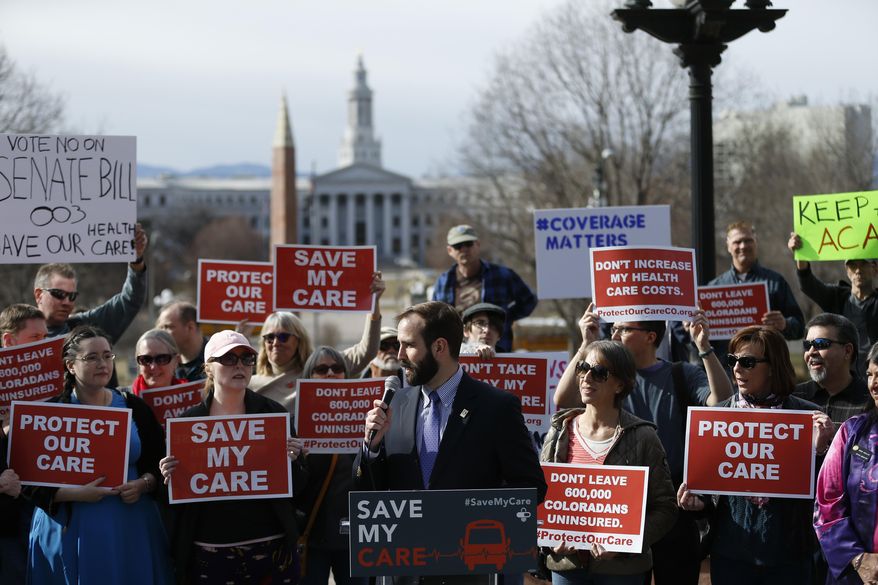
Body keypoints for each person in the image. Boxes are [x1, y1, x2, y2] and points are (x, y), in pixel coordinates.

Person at [553, 305, 732, 585]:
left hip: (670, 503)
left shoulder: (680, 374)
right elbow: (564, 400)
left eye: (624, 328)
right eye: (614, 328)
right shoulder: (604, 377)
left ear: (650, 336)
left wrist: (704, 347)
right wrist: (587, 343)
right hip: (616, 506)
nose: (615, 332)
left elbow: (721, 402)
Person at [677, 325, 834, 585]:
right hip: (731, 555)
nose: (737, 369)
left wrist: (820, 450)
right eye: (733, 360)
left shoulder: (809, 419)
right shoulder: (716, 420)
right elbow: (708, 491)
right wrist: (697, 504)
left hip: (791, 558)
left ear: (774, 366)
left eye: (747, 362)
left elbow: (825, 495)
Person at [159, 330, 307, 584]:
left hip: (271, 548)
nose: (239, 365)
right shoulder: (187, 424)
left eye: (246, 358)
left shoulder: (273, 415)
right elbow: (174, 501)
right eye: (228, 358)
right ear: (208, 369)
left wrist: (295, 461)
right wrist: (168, 476)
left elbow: (298, 488)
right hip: (208, 551)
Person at [27, 325, 172, 584]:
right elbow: (28, 479)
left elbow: (158, 463)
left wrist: (143, 484)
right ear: (70, 366)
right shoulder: (49, 413)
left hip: (130, 527)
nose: (102, 363)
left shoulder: (134, 407)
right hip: (68, 530)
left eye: (107, 355)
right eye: (91, 357)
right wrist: (73, 494)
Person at [356, 300, 547, 496]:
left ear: (439, 347)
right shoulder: (395, 405)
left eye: (409, 345)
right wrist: (372, 448)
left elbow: (531, 487)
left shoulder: (497, 407)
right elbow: (366, 489)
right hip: (406, 527)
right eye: (399, 345)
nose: (400, 355)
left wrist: (468, 510)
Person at [542, 340, 677, 584]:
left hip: (622, 571)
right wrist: (549, 541)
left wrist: (625, 543)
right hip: (567, 568)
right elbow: (539, 498)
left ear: (620, 385)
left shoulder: (644, 436)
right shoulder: (559, 431)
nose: (587, 377)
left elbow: (666, 508)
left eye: (599, 372)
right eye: (583, 368)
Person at [250, 272, 386, 410]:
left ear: (298, 340)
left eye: (283, 337)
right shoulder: (249, 384)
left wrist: (373, 306)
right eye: (270, 338)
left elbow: (367, 351)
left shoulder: (320, 368)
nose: (276, 343)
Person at [297, 346, 366, 585]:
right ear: (309, 375)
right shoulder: (295, 420)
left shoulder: (366, 415)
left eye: (337, 369)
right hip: (314, 532)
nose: (330, 374)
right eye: (321, 369)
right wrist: (297, 458)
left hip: (356, 534)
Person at [814, 341, 878, 585]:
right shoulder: (853, 432)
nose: (873, 384)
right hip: (857, 572)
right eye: (870, 374)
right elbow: (827, 502)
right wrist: (860, 559)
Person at [33, 223, 149, 342]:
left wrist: (136, 260)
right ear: (38, 295)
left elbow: (130, 301)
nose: (67, 302)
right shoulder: (17, 333)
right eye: (59, 294)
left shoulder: (86, 329)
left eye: (72, 296)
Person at [432, 224, 537, 352]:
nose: (464, 249)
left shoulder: (503, 275)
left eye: (468, 244)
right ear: (450, 251)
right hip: (458, 354)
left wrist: (504, 318)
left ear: (478, 244)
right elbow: (437, 319)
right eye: (458, 246)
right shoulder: (443, 281)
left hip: (498, 352)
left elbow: (529, 300)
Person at [788, 232, 878, 377]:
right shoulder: (837, 298)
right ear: (846, 270)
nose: (858, 270)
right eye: (853, 265)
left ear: (875, 268)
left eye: (863, 264)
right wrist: (801, 254)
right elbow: (808, 284)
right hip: (844, 379)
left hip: (873, 377)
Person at [0, 304, 46, 583]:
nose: (44, 347)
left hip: (33, 512)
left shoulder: (49, 384)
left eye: (47, 338)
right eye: (35, 339)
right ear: (9, 341)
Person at [707, 222, 805, 352]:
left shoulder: (775, 282)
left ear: (756, 242)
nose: (743, 246)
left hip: (767, 366)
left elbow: (799, 328)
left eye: (748, 240)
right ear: (728, 246)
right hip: (727, 367)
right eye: (737, 242)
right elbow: (705, 340)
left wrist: (785, 324)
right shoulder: (714, 288)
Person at [794, 313, 871, 427]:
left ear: (847, 351)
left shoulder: (870, 400)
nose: (811, 352)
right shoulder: (793, 397)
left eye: (821, 344)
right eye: (807, 345)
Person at [156, 301, 208, 382]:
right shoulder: (164, 365)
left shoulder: (217, 359)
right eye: (160, 328)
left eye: (167, 327)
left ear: (190, 327)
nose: (162, 333)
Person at [128, 329, 187, 396]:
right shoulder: (122, 400)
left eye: (161, 359)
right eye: (146, 359)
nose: (153, 366)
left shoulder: (192, 397)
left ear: (176, 361)